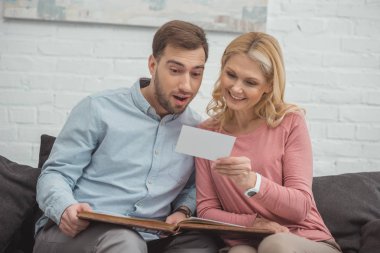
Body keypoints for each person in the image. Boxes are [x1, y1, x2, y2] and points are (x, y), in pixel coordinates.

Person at [33, 20, 218, 253]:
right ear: (153, 65)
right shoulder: (98, 109)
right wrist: (65, 208)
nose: (186, 85)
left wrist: (183, 211)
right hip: (75, 233)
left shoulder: (196, 127)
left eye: (196, 74)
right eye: (175, 70)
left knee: (201, 244)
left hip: (152, 237)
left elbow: (200, 185)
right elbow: (55, 173)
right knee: (125, 241)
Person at [195, 32, 342, 253]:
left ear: (268, 86)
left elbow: (300, 209)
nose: (236, 88)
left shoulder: (290, 123)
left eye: (250, 82)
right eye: (231, 75)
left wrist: (252, 182)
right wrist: (252, 224)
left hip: (303, 240)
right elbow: (206, 210)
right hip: (246, 241)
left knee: (275, 245)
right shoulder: (206, 133)